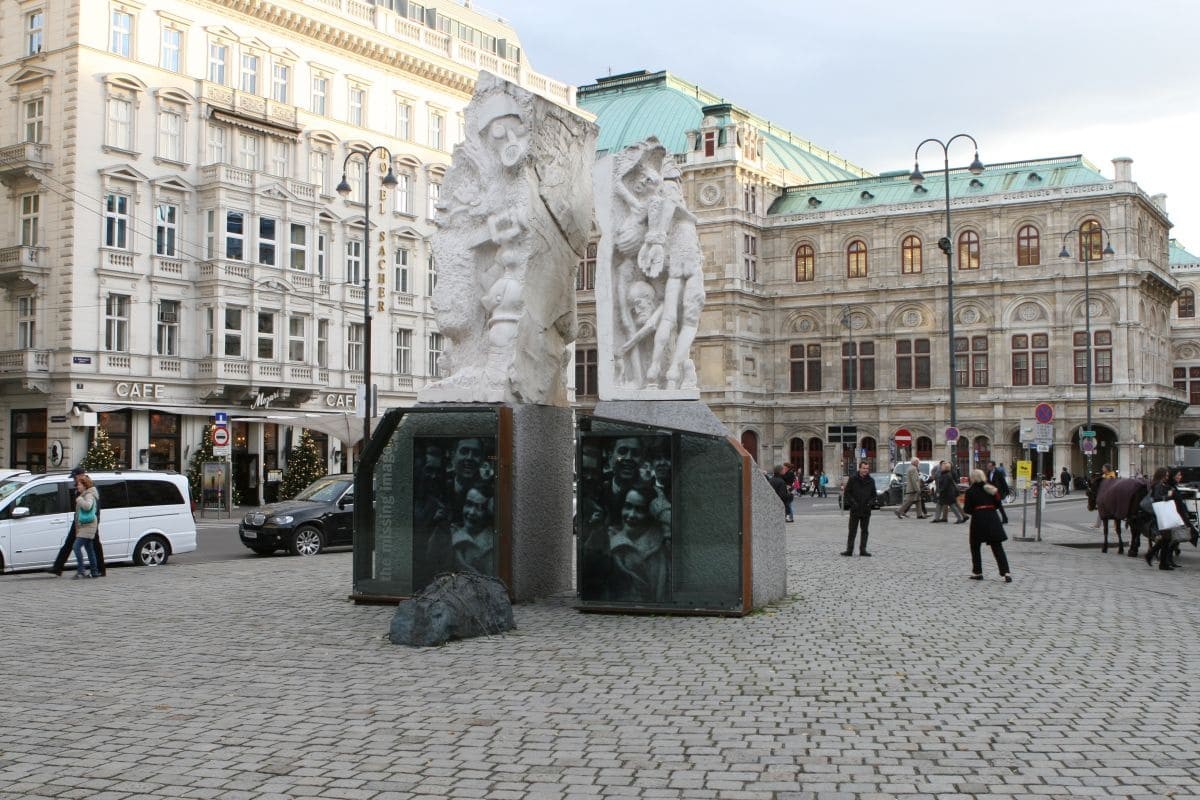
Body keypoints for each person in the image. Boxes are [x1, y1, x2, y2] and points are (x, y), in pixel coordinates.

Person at [51, 466, 106, 577]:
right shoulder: (80, 487)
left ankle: (97, 569)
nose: (73, 480)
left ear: (80, 475)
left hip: (89, 522)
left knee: (91, 546)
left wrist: (95, 523)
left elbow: (94, 508)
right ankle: (58, 567)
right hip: (80, 520)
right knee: (71, 543)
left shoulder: (90, 487)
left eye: (74, 477)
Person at [962, 469, 1012, 582]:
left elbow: (967, 509)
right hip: (992, 518)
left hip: (978, 519)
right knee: (997, 547)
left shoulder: (970, 491)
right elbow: (998, 504)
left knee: (975, 547)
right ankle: (1006, 572)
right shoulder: (991, 489)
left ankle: (977, 572)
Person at [1144, 467, 1177, 571]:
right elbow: (1158, 498)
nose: (1167, 477)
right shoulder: (1158, 485)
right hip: (1161, 513)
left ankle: (1153, 556)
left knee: (1166, 538)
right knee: (1166, 538)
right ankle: (1160, 561)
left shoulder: (1160, 484)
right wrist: (1169, 496)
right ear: (1161, 475)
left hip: (1162, 513)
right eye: (1166, 475)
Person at [841, 461, 875, 556]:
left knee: (865, 531)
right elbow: (847, 493)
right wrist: (853, 503)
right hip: (855, 509)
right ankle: (849, 549)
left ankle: (863, 549)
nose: (865, 470)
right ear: (859, 468)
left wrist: (870, 503)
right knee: (852, 530)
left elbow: (874, 495)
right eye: (864, 468)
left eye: (867, 469)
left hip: (866, 510)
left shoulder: (871, 481)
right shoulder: (853, 479)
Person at [71, 473, 101, 579]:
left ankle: (81, 570)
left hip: (88, 526)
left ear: (84, 485)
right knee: (89, 549)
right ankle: (94, 571)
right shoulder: (85, 495)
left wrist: (79, 500)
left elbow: (88, 507)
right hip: (85, 525)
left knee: (76, 547)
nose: (77, 487)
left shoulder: (88, 495)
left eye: (79, 485)